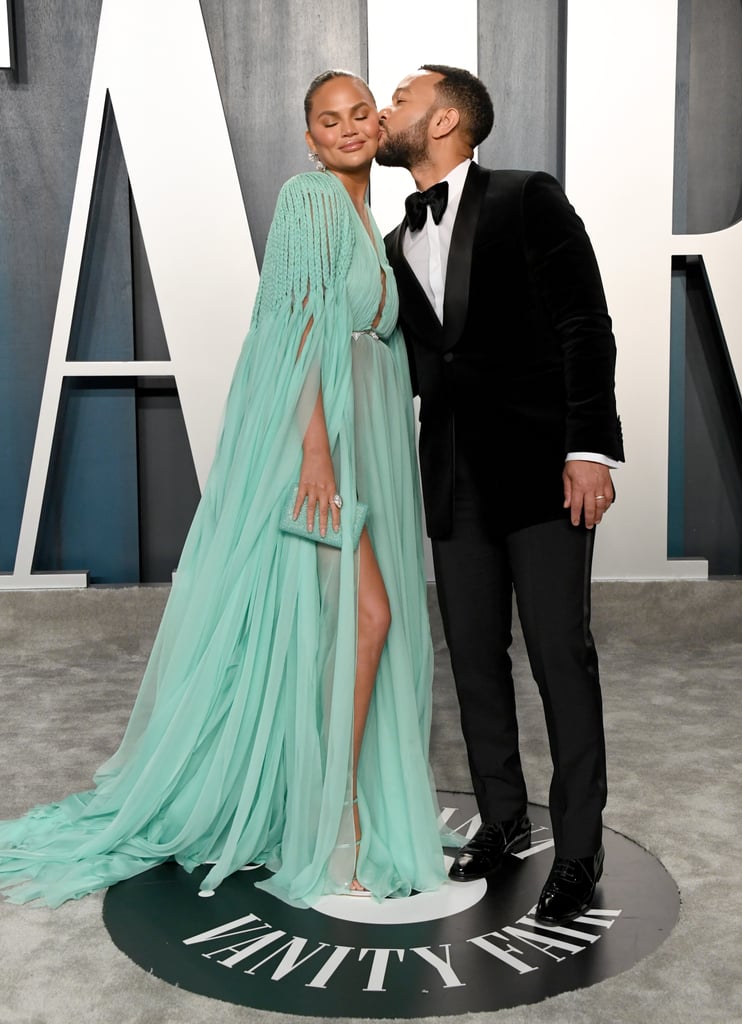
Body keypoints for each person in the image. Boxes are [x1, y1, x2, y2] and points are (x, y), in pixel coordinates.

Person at [0, 70, 455, 908]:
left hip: (373, 444)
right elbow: (298, 327)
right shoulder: (309, 202)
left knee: (335, 630)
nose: (352, 128)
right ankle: (338, 823)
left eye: (363, 114)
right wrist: (315, 451)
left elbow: (379, 347)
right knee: (367, 619)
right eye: (331, 119)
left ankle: (319, 806)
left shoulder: (376, 224)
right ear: (309, 139)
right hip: (320, 448)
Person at [377, 65, 624, 924]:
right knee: (474, 660)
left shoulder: (527, 197)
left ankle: (581, 850)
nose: (383, 108)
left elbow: (584, 323)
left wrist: (590, 447)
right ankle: (505, 820)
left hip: (543, 470)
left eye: (400, 98)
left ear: (446, 119)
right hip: (451, 478)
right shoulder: (392, 242)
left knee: (562, 656)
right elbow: (416, 364)